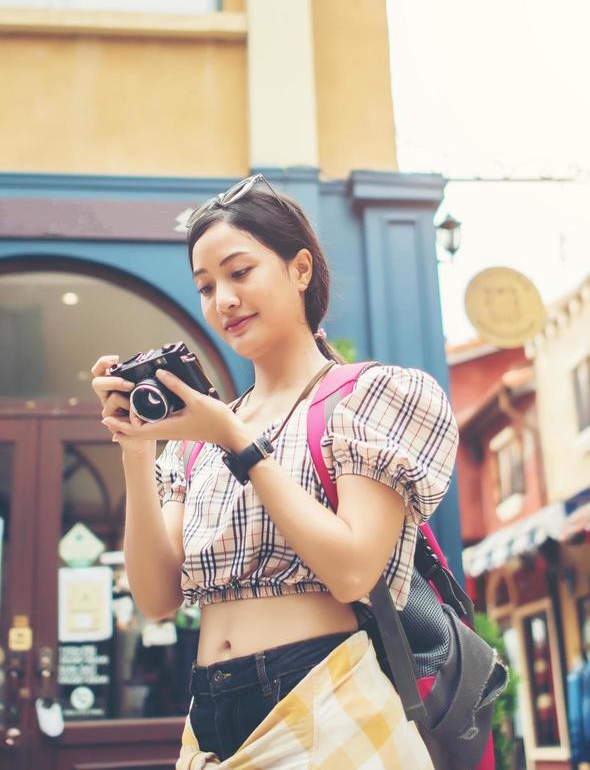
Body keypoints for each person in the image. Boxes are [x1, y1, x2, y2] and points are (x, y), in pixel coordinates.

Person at [90, 174, 456, 766]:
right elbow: (156, 598)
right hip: (208, 718)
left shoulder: (369, 396)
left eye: (240, 273)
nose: (223, 301)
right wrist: (136, 449)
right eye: (206, 287)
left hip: (324, 695)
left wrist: (235, 438)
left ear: (301, 269)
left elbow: (352, 572)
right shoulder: (197, 439)